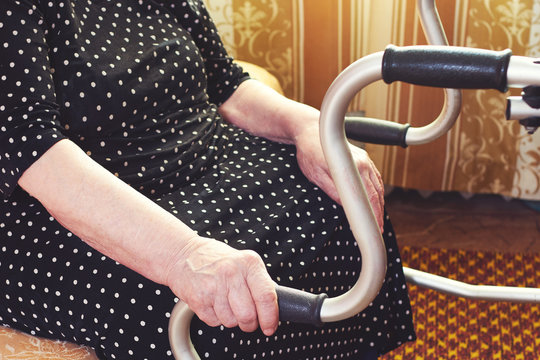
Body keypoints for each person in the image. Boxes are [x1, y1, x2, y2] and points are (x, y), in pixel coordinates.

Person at [0, 0, 415, 359]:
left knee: (343, 203)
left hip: (205, 153)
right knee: (208, 310)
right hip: (63, 204)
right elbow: (32, 149)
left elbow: (225, 82)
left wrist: (306, 126)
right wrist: (183, 255)